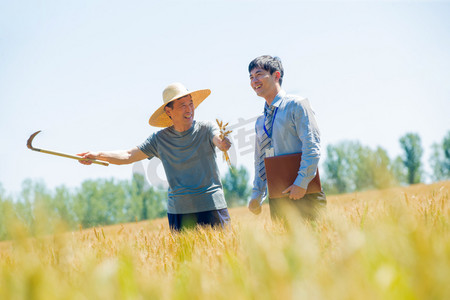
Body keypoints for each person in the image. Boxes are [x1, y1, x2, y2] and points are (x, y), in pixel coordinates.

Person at [78, 82, 232, 231]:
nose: (189, 109)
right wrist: (97, 155)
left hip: (212, 206)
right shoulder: (159, 139)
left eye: (190, 103)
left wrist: (223, 142)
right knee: (186, 258)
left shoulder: (206, 128)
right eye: (182, 105)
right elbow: (128, 155)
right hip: (180, 212)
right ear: (168, 111)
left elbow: (218, 139)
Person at [247, 55, 326, 221]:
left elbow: (311, 145)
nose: (254, 80)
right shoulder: (260, 121)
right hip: (278, 199)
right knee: (285, 247)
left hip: (305, 193)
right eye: (251, 77)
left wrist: (301, 183)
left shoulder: (296, 105)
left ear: (276, 76)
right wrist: (257, 194)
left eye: (259, 74)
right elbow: (260, 160)